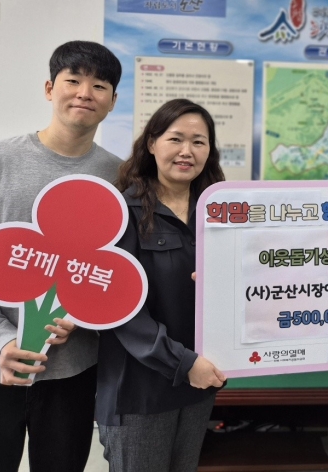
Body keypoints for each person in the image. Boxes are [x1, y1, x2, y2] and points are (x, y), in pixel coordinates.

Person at [0, 41, 122, 471]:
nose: (85, 93)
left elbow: (119, 273)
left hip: (72, 374)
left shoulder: (120, 177)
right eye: (73, 80)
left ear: (113, 101)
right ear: (49, 88)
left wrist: (85, 315)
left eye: (99, 86)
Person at [96, 98, 226, 472]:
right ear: (152, 143)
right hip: (140, 391)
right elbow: (118, 307)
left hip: (199, 384)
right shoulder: (123, 212)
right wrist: (183, 363)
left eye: (199, 142)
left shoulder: (219, 211)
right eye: (176, 139)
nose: (187, 151)